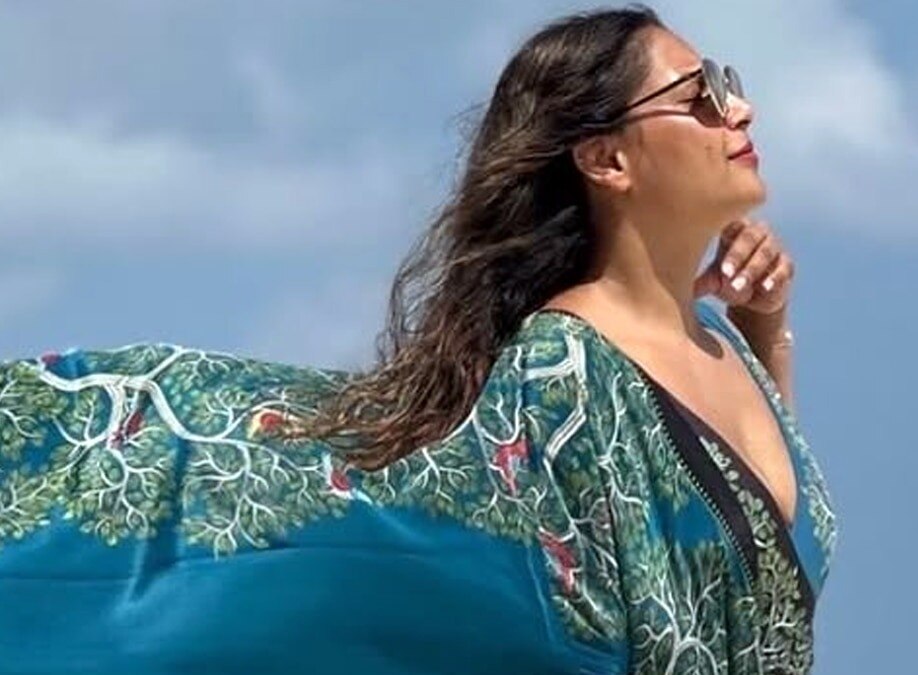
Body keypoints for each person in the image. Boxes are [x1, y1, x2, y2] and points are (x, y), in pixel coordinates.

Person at [0, 4, 838, 673]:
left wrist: (766, 326)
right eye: (699, 96)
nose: (738, 108)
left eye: (727, 84)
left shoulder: (724, 343)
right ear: (606, 160)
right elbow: (537, 608)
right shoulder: (567, 374)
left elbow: (765, 572)